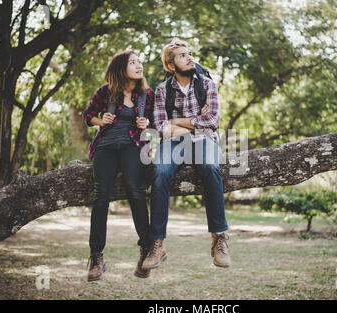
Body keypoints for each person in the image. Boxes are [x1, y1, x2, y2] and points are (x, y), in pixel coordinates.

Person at [142, 39, 231, 271]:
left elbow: (212, 122)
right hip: (173, 143)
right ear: (171, 66)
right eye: (183, 55)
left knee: (210, 167)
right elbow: (161, 127)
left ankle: (219, 238)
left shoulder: (208, 85)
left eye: (189, 54)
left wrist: (178, 121)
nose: (190, 58)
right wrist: (193, 124)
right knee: (160, 172)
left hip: (204, 141)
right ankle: (158, 244)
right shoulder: (162, 91)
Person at [82, 50, 154, 281]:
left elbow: (155, 125)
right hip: (105, 146)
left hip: (133, 146)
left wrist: (147, 123)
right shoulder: (105, 91)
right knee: (100, 196)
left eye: (139, 62)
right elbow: (88, 115)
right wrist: (100, 119)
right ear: (121, 67)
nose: (138, 65)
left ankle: (146, 249)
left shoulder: (146, 95)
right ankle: (96, 256)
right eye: (133, 62)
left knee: (135, 190)